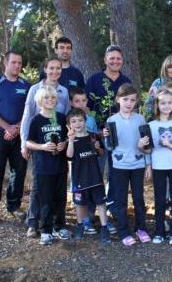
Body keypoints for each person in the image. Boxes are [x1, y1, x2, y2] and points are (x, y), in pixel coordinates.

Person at [20, 57, 70, 238]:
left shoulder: (64, 92)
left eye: (58, 68)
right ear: (45, 69)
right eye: (51, 68)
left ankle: (57, 224)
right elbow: (27, 118)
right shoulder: (35, 89)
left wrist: (65, 143)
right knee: (39, 189)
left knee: (58, 192)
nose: (55, 71)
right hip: (41, 152)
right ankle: (34, 223)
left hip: (59, 157)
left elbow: (67, 123)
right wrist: (25, 144)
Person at [0, 50, 31, 227]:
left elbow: (29, 111)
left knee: (19, 172)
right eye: (14, 62)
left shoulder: (26, 85)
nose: (17, 66)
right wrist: (6, 127)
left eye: (20, 63)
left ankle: (14, 206)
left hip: (19, 135)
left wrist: (16, 127)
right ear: (5, 63)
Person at [85, 45, 131, 218]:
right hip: (98, 134)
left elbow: (130, 106)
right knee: (96, 171)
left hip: (119, 135)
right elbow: (87, 107)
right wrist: (95, 130)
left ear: (122, 61)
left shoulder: (125, 81)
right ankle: (90, 212)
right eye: (112, 58)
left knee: (115, 173)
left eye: (118, 58)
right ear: (105, 60)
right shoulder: (94, 80)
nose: (115, 61)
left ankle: (112, 208)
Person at [103, 84, 152, 246]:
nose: (129, 103)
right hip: (119, 167)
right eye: (125, 99)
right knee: (120, 200)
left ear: (136, 101)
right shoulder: (112, 120)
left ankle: (141, 228)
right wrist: (105, 138)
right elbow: (109, 147)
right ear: (118, 100)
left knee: (139, 198)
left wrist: (148, 164)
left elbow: (147, 145)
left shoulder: (140, 119)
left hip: (137, 165)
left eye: (132, 100)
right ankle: (123, 231)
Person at [69, 87, 117, 234]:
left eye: (83, 100)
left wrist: (99, 138)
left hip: (92, 161)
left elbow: (95, 136)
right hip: (78, 164)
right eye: (77, 101)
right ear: (71, 103)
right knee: (81, 193)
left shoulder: (90, 119)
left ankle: (102, 221)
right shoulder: (70, 119)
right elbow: (69, 150)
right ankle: (86, 220)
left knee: (96, 187)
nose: (81, 104)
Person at [142, 89, 172, 245]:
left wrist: (169, 145)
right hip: (158, 167)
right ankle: (159, 232)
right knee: (159, 199)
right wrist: (142, 147)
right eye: (162, 103)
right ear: (157, 105)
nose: (166, 105)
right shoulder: (151, 125)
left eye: (169, 102)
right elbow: (148, 149)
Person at [66, 108, 111, 243]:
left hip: (95, 177)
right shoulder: (71, 139)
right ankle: (80, 225)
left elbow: (101, 153)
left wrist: (98, 147)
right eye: (74, 121)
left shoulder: (92, 136)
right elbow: (69, 155)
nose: (78, 124)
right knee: (80, 204)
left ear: (85, 121)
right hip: (79, 178)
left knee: (101, 202)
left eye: (80, 120)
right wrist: (71, 141)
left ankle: (104, 228)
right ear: (69, 125)